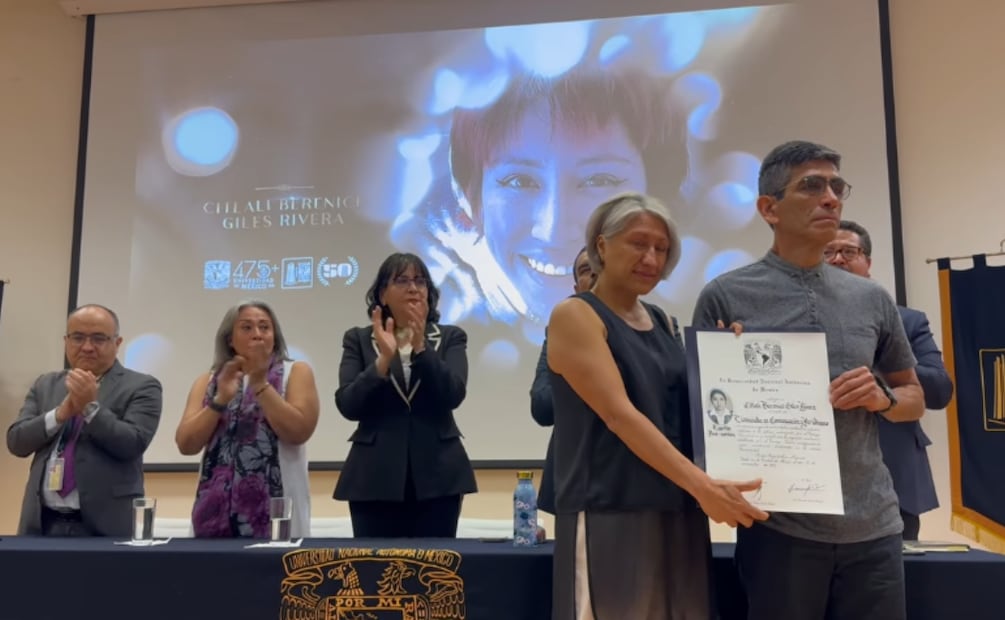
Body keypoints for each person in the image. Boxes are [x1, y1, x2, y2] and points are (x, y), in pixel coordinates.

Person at [692, 140, 925, 620]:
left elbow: (914, 397)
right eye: (812, 186)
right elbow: (706, 415)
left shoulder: (871, 299)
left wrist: (882, 399)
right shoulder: (725, 296)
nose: (832, 198)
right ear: (768, 208)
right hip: (780, 530)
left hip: (875, 527)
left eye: (837, 186)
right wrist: (724, 362)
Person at [548, 192, 767, 619]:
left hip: (678, 504)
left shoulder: (665, 322)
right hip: (610, 507)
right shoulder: (576, 315)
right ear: (602, 245)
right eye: (638, 243)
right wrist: (705, 487)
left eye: (662, 249)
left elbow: (693, 412)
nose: (651, 257)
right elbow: (620, 415)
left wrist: (731, 360)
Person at [394, 68, 686, 339]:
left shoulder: (669, 333)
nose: (553, 230)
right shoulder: (453, 335)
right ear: (471, 196)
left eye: (599, 180)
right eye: (519, 181)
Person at [824, 219, 953, 540]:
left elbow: (939, 390)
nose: (838, 259)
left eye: (848, 251)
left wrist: (881, 355)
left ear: (867, 262)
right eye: (828, 252)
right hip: (820, 479)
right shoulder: (801, 322)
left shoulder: (907, 321)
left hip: (894, 479)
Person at [334, 252, 477, 538]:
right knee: (375, 574)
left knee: (434, 573)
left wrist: (421, 346)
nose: (413, 288)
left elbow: (453, 394)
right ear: (382, 295)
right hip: (373, 478)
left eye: (420, 281)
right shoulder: (359, 339)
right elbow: (348, 404)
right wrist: (382, 362)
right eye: (402, 280)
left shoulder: (450, 337)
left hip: (439, 476)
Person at [7, 304, 163, 537]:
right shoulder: (46, 384)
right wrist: (59, 414)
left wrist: (90, 408)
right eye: (78, 337)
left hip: (103, 525)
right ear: (66, 341)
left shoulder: (142, 386)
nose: (87, 347)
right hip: (42, 523)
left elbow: (132, 443)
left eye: (99, 339)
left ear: (117, 343)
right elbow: (17, 442)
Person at [176, 300, 320, 538]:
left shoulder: (296, 372)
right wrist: (220, 399)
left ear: (275, 336)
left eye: (265, 327)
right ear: (230, 339)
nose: (257, 335)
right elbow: (186, 444)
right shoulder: (209, 381)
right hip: (215, 513)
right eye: (246, 328)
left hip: (276, 510)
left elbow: (299, 432)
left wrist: (260, 384)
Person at [529, 247, 596, 515]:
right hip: (574, 480)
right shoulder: (559, 331)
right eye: (585, 271)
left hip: (634, 483)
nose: (593, 276)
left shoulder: (656, 326)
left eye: (600, 269)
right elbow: (542, 407)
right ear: (576, 287)